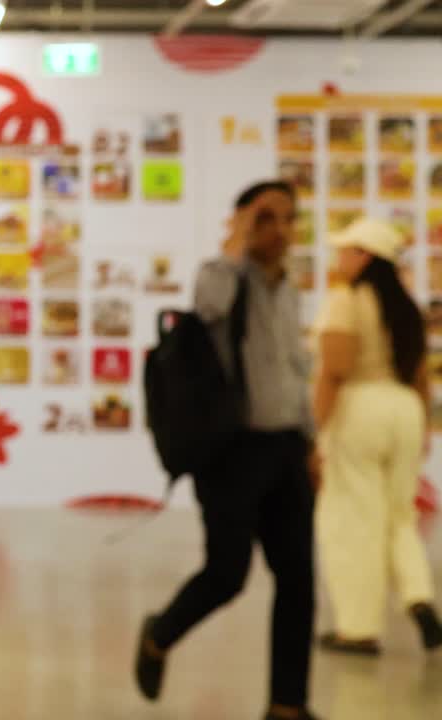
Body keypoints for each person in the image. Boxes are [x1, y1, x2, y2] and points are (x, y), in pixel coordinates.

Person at [135, 181, 321, 720]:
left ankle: (288, 704)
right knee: (227, 574)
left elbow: (295, 371)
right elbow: (208, 305)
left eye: (288, 218)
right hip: (233, 453)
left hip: (286, 446)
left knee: (299, 577)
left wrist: (310, 443)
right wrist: (237, 240)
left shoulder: (289, 290)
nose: (280, 230)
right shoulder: (221, 277)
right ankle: (159, 635)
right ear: (242, 221)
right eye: (267, 217)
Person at [312, 217, 442, 656]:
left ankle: (358, 627)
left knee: (353, 522)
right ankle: (418, 597)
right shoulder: (407, 309)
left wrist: (317, 432)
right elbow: (420, 376)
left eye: (347, 250)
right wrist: (423, 425)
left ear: (364, 256)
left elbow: (334, 370)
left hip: (359, 411)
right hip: (403, 410)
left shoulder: (345, 302)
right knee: (398, 516)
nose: (340, 258)